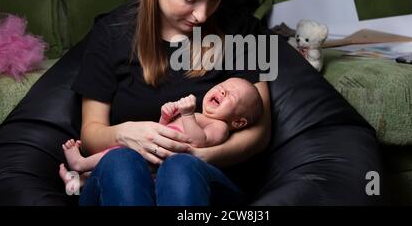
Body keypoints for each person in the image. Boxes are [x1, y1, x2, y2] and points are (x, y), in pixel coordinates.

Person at [70, 0, 271, 206]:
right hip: (123, 179)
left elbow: (260, 132)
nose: (201, 15)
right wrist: (124, 133)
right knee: (121, 162)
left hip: (203, 180)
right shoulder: (110, 33)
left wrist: (197, 155)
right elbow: (91, 132)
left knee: (180, 169)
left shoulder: (243, 30)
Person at [59, 77, 264, 194]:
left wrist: (187, 115)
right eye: (222, 87)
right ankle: (81, 181)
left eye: (231, 95)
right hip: (156, 151)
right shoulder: (200, 115)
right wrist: (165, 119)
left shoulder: (220, 127)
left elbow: (198, 142)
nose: (222, 92)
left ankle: (81, 164)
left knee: (119, 155)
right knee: (117, 155)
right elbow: (166, 132)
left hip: (168, 160)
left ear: (238, 122)